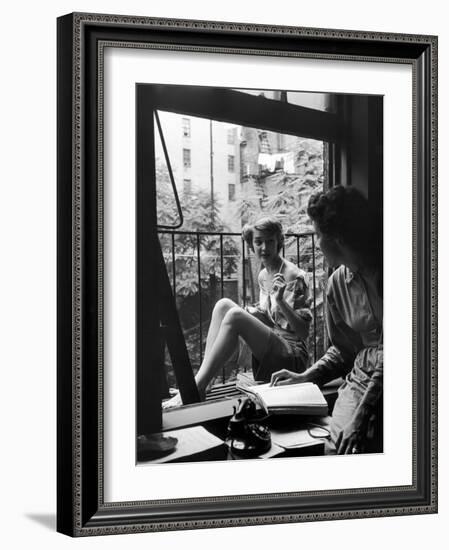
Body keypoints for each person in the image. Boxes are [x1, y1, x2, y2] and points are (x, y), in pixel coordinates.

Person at [271, 186, 383, 455]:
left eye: (319, 234)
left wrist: (363, 413)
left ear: (339, 239)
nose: (317, 242)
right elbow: (344, 350)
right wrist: (307, 376)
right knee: (337, 450)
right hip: (363, 379)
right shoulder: (336, 285)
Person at [163, 216, 312, 408]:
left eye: (270, 241)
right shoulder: (263, 275)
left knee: (235, 316)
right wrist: (255, 311)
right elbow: (271, 317)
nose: (264, 248)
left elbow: (303, 333)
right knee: (223, 305)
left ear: (279, 242)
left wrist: (281, 300)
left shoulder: (293, 275)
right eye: (258, 242)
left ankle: (194, 388)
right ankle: (203, 384)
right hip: (273, 343)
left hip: (292, 356)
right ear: (251, 244)